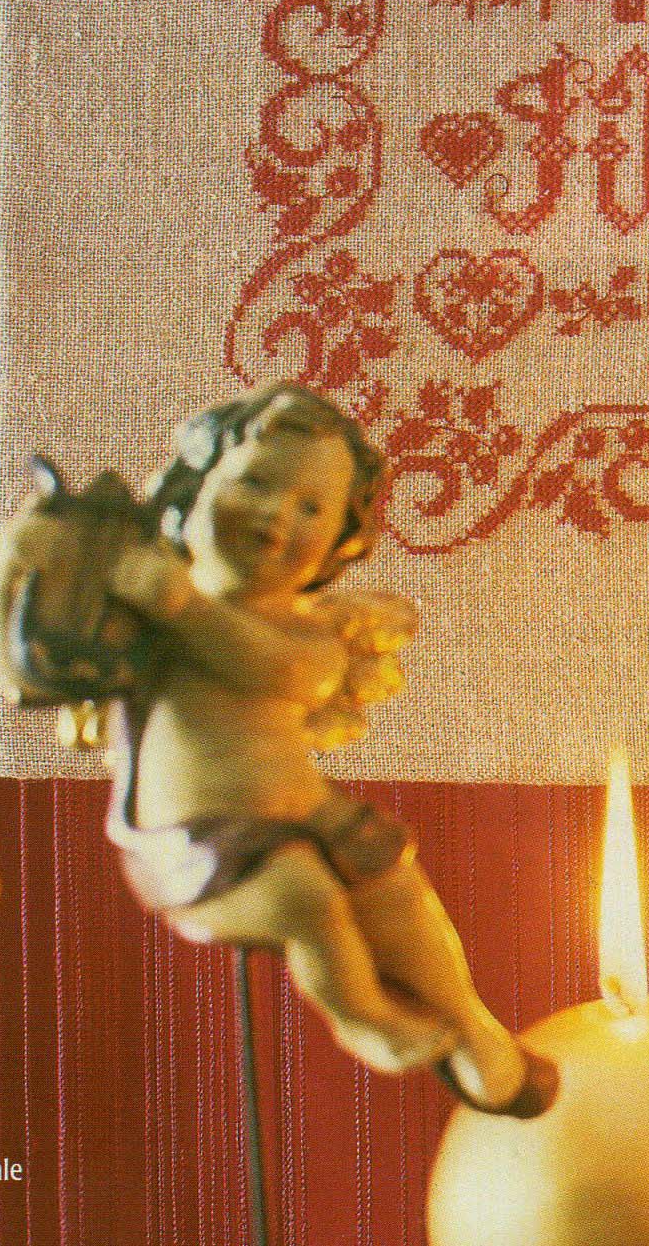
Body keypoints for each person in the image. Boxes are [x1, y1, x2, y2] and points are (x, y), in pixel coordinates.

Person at [98, 387, 554, 1116]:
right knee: (304, 896)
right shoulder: (144, 617)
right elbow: (41, 656)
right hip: (190, 841)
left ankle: (469, 1022)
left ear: (341, 540)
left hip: (306, 816)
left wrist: (182, 606)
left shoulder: (304, 633)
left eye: (311, 507)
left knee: (397, 889)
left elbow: (278, 672)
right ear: (195, 484)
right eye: (255, 482)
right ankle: (365, 1016)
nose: (277, 514)